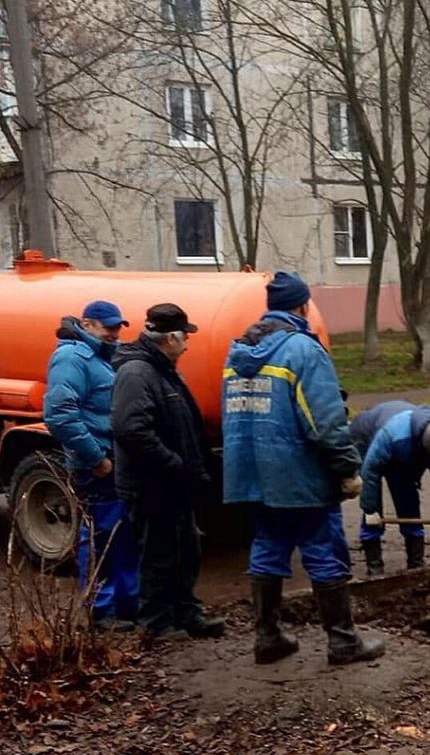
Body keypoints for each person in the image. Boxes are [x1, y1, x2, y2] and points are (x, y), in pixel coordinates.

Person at [222, 271, 382, 666]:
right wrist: (347, 468)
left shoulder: (239, 351)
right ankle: (343, 642)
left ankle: (268, 637)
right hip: (298, 475)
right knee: (323, 550)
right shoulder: (304, 351)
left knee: (268, 548)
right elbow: (324, 422)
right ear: (303, 306)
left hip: (251, 474)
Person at [110, 303, 225, 641]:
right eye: (184, 337)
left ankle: (187, 614)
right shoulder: (137, 373)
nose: (187, 344)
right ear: (170, 338)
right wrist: (173, 463)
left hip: (174, 485)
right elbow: (130, 429)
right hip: (152, 486)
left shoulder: (162, 370)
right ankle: (157, 624)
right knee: (158, 556)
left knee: (186, 550)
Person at [43, 300, 138, 630]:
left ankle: (126, 604)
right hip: (97, 466)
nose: (113, 333)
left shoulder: (104, 357)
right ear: (87, 324)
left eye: (117, 327)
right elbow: (59, 414)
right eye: (107, 327)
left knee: (121, 534)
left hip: (115, 462)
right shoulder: (72, 357)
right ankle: (101, 610)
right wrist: (95, 459)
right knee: (100, 536)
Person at [349, 401, 430, 576]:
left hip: (404, 448)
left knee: (406, 492)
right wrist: (370, 510)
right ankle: (374, 564)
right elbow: (370, 471)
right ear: (423, 446)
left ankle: (415, 562)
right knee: (373, 508)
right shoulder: (392, 437)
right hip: (365, 437)